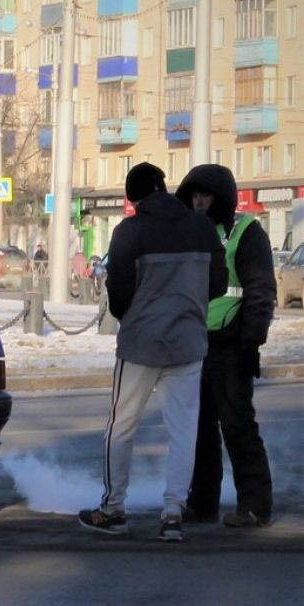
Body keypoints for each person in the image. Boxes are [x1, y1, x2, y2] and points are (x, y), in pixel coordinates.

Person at [78, 162, 227, 542]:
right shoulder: (201, 227)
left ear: (133, 199)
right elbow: (219, 283)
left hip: (141, 344)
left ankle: (113, 510)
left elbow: (118, 295)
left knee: (121, 425)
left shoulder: (130, 231)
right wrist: (188, 307)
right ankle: (174, 512)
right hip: (189, 343)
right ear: (164, 188)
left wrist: (139, 315)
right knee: (183, 430)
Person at [176, 164, 277, 528]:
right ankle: (202, 504)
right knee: (199, 431)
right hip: (194, 345)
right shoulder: (189, 231)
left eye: (206, 195)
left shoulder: (246, 231)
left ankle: (254, 505)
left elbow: (260, 290)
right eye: (194, 195)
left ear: (222, 197)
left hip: (231, 345)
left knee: (237, 426)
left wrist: (252, 343)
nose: (199, 201)